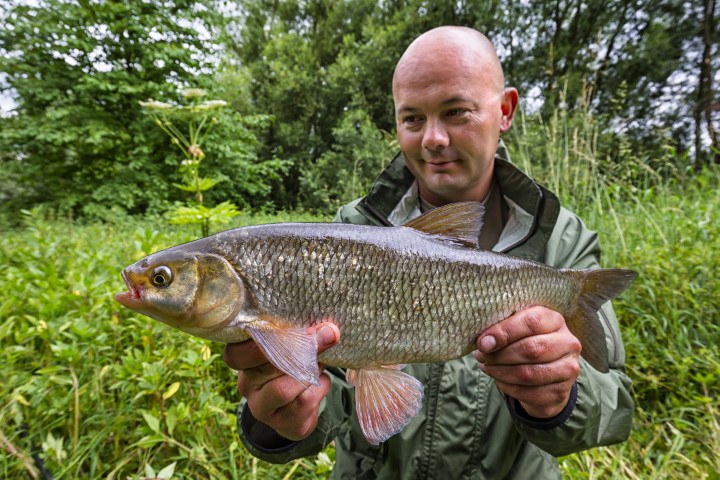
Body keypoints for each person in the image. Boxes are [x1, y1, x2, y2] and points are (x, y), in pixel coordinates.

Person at [223, 26, 634, 479]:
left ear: (505, 110)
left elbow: (615, 405)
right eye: (412, 118)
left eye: (456, 112)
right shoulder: (346, 236)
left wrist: (560, 400)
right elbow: (330, 398)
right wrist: (277, 419)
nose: (433, 139)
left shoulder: (562, 240)